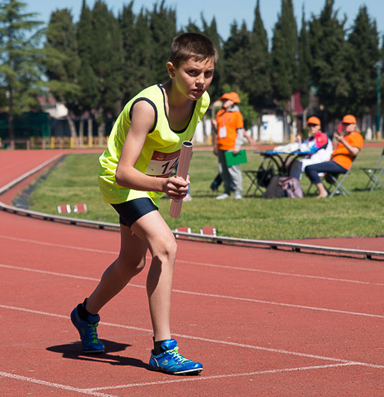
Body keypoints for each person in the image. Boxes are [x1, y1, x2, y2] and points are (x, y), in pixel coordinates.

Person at [70, 32, 216, 376]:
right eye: (192, 73)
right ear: (171, 69)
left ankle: (85, 314)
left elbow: (185, 145)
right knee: (165, 248)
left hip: (149, 182)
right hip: (122, 182)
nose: (201, 81)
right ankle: (164, 349)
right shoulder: (147, 107)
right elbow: (123, 172)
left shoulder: (203, 102)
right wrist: (162, 184)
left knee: (132, 263)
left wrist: (180, 179)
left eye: (208, 73)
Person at [304, 114, 363, 198]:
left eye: (348, 124)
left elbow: (354, 152)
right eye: (344, 124)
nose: (346, 126)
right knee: (309, 167)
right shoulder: (345, 136)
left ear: (354, 125)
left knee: (310, 168)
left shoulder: (356, 136)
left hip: (342, 164)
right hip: (334, 162)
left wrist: (343, 142)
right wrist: (328, 160)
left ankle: (323, 192)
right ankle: (324, 189)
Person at [213, 92, 255, 199]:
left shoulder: (237, 114)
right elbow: (218, 131)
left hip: (231, 147)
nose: (224, 102)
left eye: (226, 100)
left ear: (232, 102)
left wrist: (238, 146)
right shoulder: (219, 114)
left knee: (234, 170)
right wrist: (214, 127)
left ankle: (238, 192)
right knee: (223, 171)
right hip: (221, 146)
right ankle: (226, 191)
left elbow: (240, 131)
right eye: (223, 100)